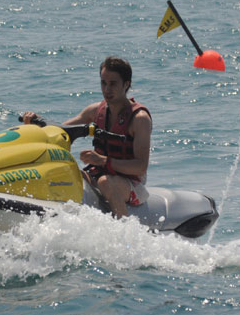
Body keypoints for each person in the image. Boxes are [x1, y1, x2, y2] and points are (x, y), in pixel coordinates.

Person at [22, 57, 151, 218]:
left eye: (113, 84)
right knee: (65, 173)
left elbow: (140, 166)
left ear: (126, 84)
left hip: (132, 184)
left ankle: (126, 235)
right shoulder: (96, 110)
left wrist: (103, 161)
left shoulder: (139, 119)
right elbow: (61, 130)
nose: (107, 89)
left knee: (105, 182)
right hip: (98, 174)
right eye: (103, 83)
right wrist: (36, 123)